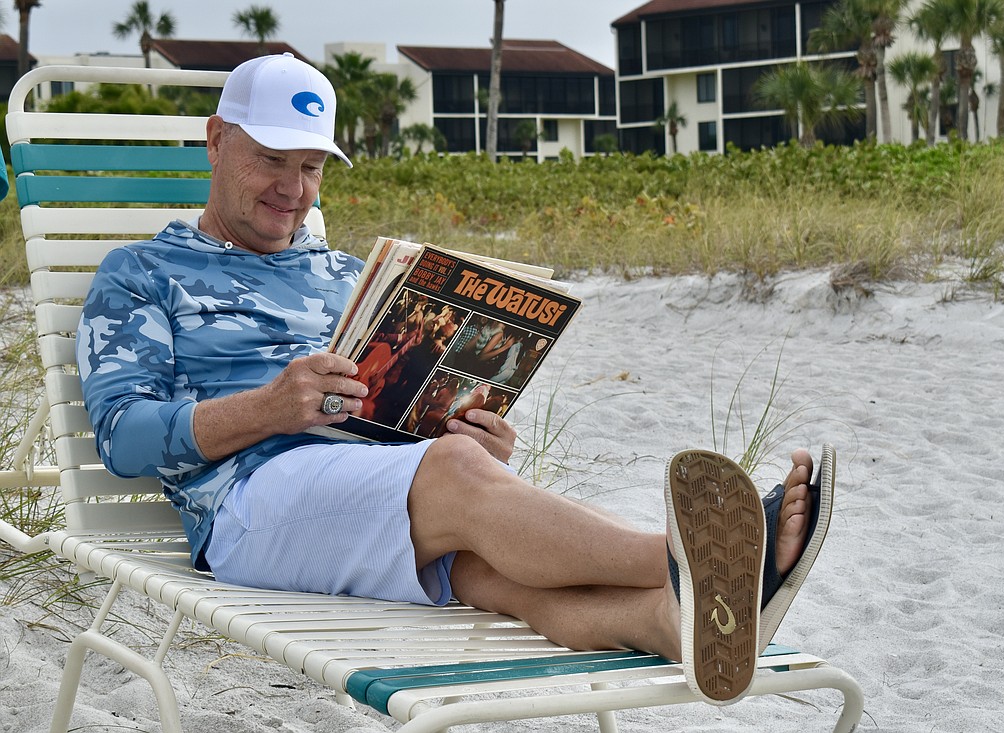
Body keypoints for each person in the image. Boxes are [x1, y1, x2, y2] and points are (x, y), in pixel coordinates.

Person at [75, 54, 829, 706]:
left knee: (489, 569)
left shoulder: (348, 275)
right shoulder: (144, 274)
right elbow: (124, 436)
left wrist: (467, 430)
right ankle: (697, 555)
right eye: (272, 160)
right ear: (216, 140)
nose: (294, 189)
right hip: (245, 505)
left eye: (310, 168)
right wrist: (271, 406)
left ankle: (670, 619)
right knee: (457, 477)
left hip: (381, 486)